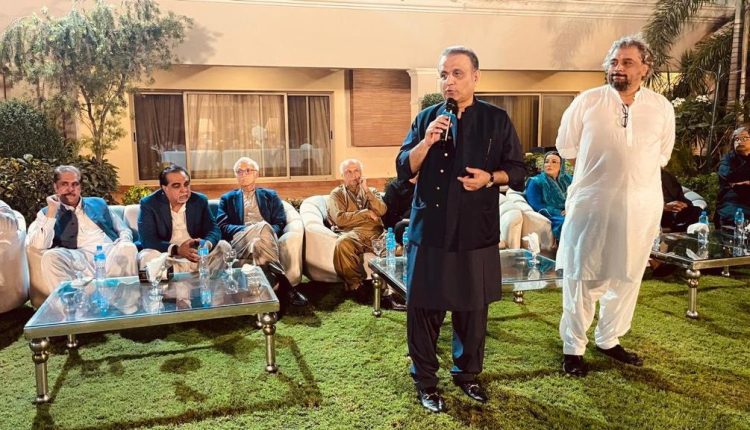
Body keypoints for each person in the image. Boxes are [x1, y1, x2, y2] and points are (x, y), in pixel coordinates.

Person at [396, 46, 526, 412]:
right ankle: (425, 382)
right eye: (443, 75)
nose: (449, 81)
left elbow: (518, 170)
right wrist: (427, 141)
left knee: (472, 309)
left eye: (457, 73)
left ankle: (467, 375)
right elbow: (404, 167)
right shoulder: (426, 118)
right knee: (424, 309)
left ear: (475, 77)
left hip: (474, 229)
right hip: (430, 229)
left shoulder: (496, 120)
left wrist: (491, 178)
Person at [555, 35, 675, 377]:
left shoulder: (661, 108)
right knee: (582, 275)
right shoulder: (587, 101)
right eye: (613, 62)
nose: (618, 68)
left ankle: (609, 339)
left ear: (645, 68)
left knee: (628, 274)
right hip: (592, 206)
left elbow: (661, 155)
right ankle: (573, 348)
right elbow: (566, 147)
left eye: (627, 62)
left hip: (641, 208)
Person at [26, 165, 138, 303]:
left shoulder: (98, 203)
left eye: (75, 184)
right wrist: (52, 212)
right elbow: (38, 245)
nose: (70, 189)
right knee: (50, 256)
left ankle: (126, 306)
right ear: (56, 187)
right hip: (77, 259)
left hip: (108, 253)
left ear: (80, 187)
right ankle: (71, 310)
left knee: (128, 247)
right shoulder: (47, 212)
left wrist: (124, 240)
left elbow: (123, 229)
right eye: (64, 184)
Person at [216, 156, 308, 307]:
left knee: (260, 239)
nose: (243, 174)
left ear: (256, 174)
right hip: (240, 241)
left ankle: (264, 298)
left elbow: (279, 222)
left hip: (265, 239)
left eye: (247, 170)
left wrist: (265, 231)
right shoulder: (227, 199)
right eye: (239, 171)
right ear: (236, 175)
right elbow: (223, 226)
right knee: (263, 227)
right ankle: (286, 285)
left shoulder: (270, 195)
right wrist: (252, 229)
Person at [137, 165, 231, 274]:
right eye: (176, 186)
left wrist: (206, 244)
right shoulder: (149, 204)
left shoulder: (199, 200)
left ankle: (213, 283)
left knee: (224, 246)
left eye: (186, 184)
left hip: (197, 256)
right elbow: (147, 239)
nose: (184, 190)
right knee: (148, 256)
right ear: (164, 188)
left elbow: (213, 229)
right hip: (169, 257)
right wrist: (177, 250)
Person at [327, 159, 387, 297]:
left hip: (376, 233)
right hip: (354, 234)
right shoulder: (337, 194)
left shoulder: (371, 191)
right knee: (343, 243)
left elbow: (381, 210)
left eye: (356, 171)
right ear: (342, 175)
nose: (354, 175)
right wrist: (366, 213)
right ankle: (356, 286)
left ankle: (390, 289)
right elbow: (340, 219)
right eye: (348, 172)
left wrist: (367, 190)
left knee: (397, 249)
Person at [524, 151, 572, 240]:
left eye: (554, 162)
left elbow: (577, 196)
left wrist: (571, 209)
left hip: (570, 211)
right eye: (546, 162)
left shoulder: (568, 179)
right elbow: (536, 204)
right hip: (551, 215)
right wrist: (559, 212)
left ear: (561, 165)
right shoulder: (535, 181)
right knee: (569, 223)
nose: (549, 164)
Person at [716, 125, 750, 228]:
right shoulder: (727, 159)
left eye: (745, 138)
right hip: (733, 200)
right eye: (737, 139)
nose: (740, 141)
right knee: (737, 217)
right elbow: (730, 176)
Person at [382, 175, 417, 245]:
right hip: (398, 228)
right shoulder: (394, 187)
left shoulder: (426, 188)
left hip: (419, 225)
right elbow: (389, 219)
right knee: (400, 226)